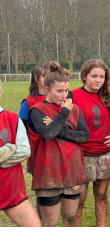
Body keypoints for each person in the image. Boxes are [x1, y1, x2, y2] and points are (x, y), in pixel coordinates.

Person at [28, 62, 89, 227]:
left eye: (67, 90)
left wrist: (58, 127)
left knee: (70, 217)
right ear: (47, 89)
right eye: (59, 91)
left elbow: (84, 136)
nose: (64, 95)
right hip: (49, 172)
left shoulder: (75, 109)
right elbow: (48, 134)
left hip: (72, 169)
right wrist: (64, 113)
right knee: (50, 222)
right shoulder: (37, 110)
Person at [72, 59, 110, 227]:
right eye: (94, 76)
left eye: (101, 76)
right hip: (81, 154)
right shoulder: (72, 95)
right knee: (79, 198)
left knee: (101, 194)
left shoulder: (107, 96)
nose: (98, 80)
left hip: (104, 153)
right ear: (84, 76)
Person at [0, 81, 41, 227]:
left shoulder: (11, 118)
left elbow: (24, 151)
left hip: (11, 189)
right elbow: (16, 150)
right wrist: (9, 149)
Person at [19, 62, 50, 174]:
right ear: (37, 79)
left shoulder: (61, 98)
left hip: (57, 150)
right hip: (38, 150)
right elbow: (21, 129)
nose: (49, 79)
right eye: (45, 76)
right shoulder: (28, 102)